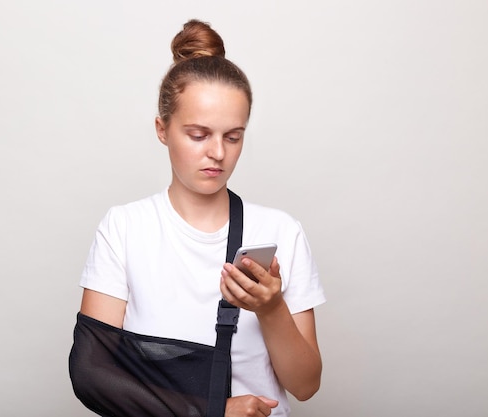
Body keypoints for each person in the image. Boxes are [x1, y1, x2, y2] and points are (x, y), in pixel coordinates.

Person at [78, 19, 326, 417]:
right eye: (198, 134)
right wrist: (212, 410)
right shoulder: (125, 228)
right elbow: (92, 373)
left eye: (233, 136)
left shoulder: (281, 231)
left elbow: (306, 385)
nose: (218, 153)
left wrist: (270, 308)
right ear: (163, 129)